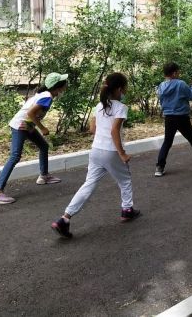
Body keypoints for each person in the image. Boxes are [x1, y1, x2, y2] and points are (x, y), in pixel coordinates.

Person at [52, 73, 140, 238]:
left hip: (96, 150)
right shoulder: (121, 107)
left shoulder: (99, 106)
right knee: (125, 180)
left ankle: (64, 219)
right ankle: (127, 209)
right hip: (111, 151)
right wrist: (122, 153)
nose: (126, 90)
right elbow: (114, 131)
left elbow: (92, 129)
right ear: (119, 89)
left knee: (89, 184)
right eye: (125, 87)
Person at [0, 72, 68, 205]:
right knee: (15, 156)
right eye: (64, 84)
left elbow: (31, 113)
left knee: (43, 146)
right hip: (20, 126)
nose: (66, 85)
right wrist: (42, 128)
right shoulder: (47, 97)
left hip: (26, 125)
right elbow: (31, 113)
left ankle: (44, 176)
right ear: (58, 87)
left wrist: (32, 127)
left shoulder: (44, 95)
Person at [154, 62, 192, 177]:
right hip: (182, 117)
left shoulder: (161, 86)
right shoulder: (180, 84)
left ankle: (159, 167)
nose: (179, 73)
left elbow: (162, 100)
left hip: (169, 117)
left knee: (167, 142)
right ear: (174, 73)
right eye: (178, 72)